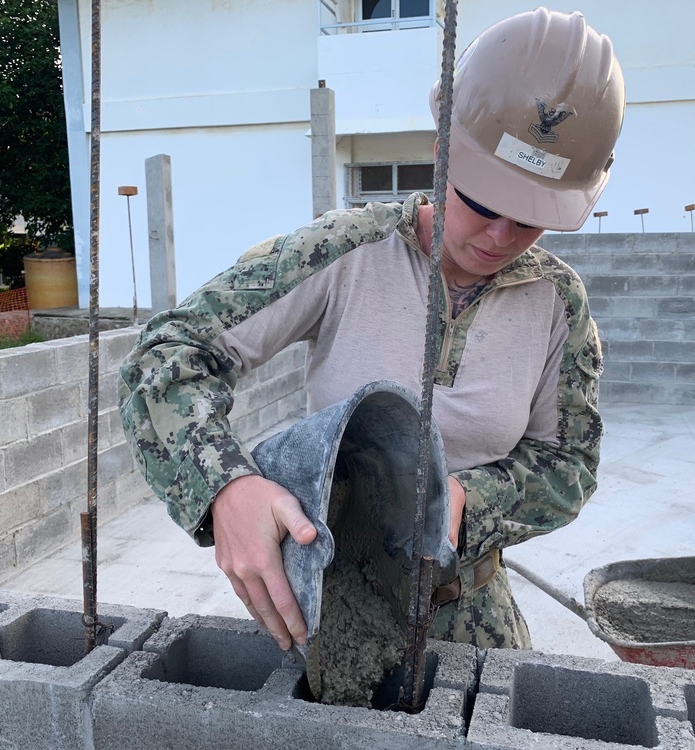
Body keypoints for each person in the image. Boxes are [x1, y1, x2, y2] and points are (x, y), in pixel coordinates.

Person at [119, 7, 625, 650]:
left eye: (529, 219)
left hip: (471, 610)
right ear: (443, 155)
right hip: (336, 610)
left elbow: (570, 463)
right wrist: (225, 486)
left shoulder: (556, 302)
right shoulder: (345, 250)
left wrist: (469, 500)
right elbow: (167, 355)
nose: (500, 238)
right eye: (482, 203)